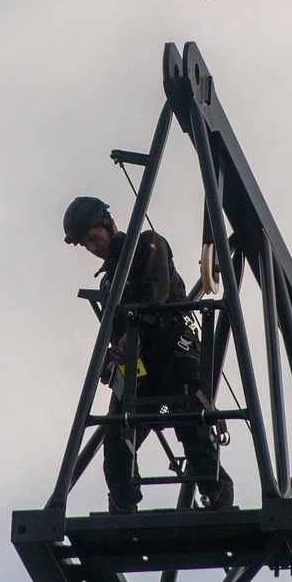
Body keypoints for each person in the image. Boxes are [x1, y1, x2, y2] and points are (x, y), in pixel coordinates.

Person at [64, 196, 234, 514]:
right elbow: (114, 335)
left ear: (107, 224)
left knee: (190, 422)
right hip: (144, 368)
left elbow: (154, 293)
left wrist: (134, 330)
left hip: (176, 353)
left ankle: (217, 491)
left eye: (92, 238)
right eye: (85, 244)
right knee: (117, 434)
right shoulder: (109, 280)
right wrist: (112, 360)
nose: (92, 247)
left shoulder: (149, 246)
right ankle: (122, 502)